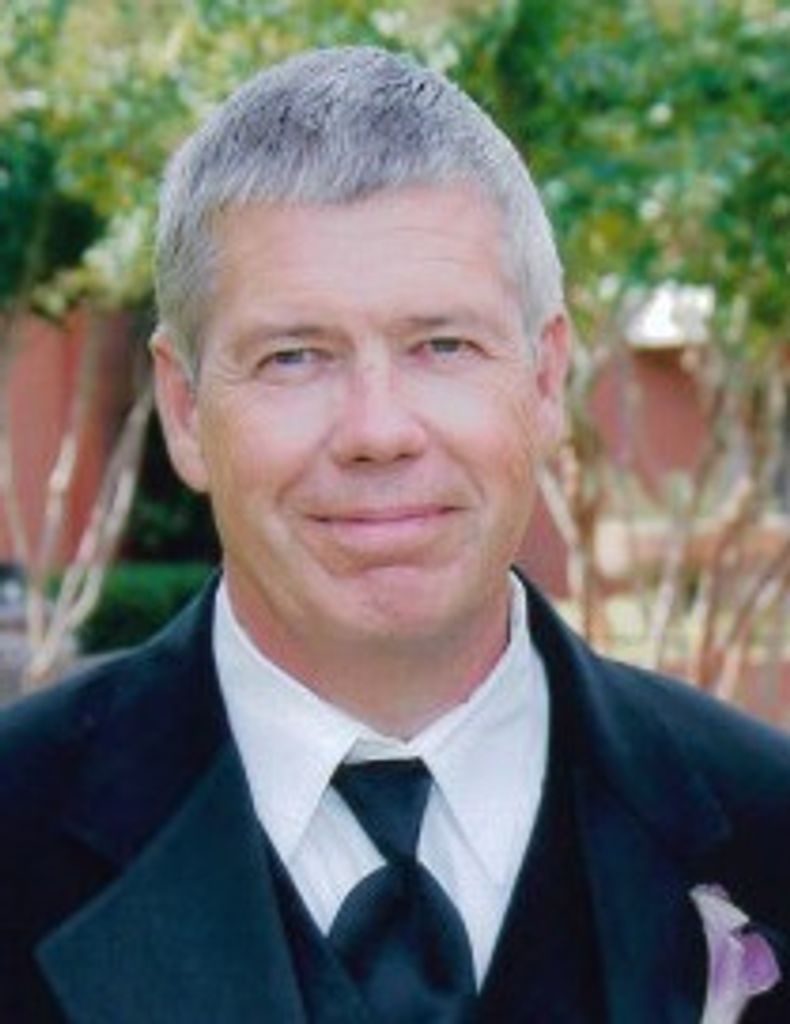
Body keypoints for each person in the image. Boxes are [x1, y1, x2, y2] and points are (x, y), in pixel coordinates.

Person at [1, 46, 789, 1024]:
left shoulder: (769, 825)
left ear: (546, 380)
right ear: (186, 407)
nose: (378, 430)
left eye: (442, 345)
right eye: (294, 357)